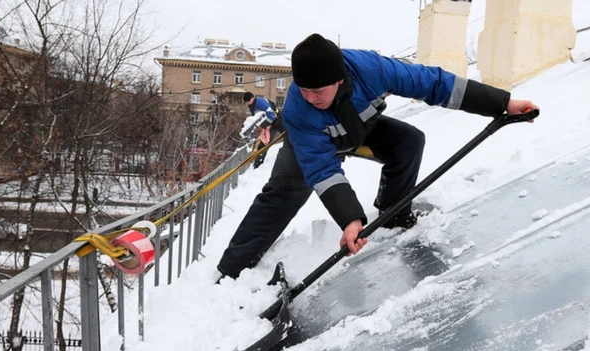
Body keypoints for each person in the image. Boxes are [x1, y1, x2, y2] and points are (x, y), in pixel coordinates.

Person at [217, 33, 539, 280]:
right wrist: (350, 218)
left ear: (340, 78)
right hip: (314, 142)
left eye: (318, 91)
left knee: (409, 142)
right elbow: (322, 168)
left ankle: (394, 215)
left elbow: (435, 83)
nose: (310, 97)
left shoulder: (373, 70)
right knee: (284, 192)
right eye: (304, 89)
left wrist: (502, 103)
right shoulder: (299, 109)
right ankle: (232, 271)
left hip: (359, 130)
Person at [242, 92, 285, 168]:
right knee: (264, 145)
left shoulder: (260, 102)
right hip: (269, 125)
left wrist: (264, 124)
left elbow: (271, 114)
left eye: (248, 101)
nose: (248, 104)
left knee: (288, 136)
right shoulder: (252, 106)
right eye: (246, 102)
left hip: (278, 120)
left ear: (252, 98)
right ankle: (258, 165)